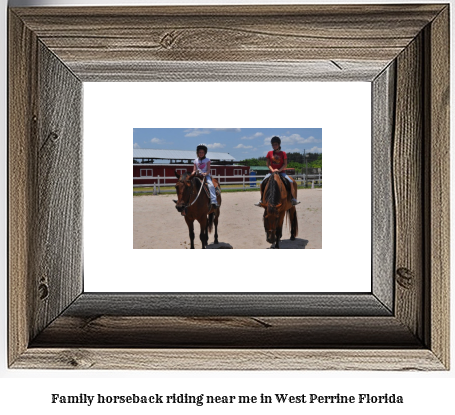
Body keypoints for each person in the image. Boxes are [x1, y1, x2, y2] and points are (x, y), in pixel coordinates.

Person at [255, 136, 300, 206]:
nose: (274, 146)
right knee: (262, 182)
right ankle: (262, 199)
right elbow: (268, 164)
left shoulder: (283, 153)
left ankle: (293, 198)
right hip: (271, 172)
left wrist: (279, 170)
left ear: (279, 145)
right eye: (273, 145)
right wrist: (273, 170)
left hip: (281, 172)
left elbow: (285, 164)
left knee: (291, 182)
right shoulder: (269, 153)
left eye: (275, 144)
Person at [193, 143, 219, 208]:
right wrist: (191, 175)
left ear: (205, 153)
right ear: (197, 153)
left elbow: (208, 170)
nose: (201, 153)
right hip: (197, 175)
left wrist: (205, 173)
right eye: (200, 152)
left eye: (202, 152)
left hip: (205, 175)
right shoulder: (196, 160)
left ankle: (213, 201)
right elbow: (194, 170)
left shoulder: (207, 160)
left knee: (210, 185)